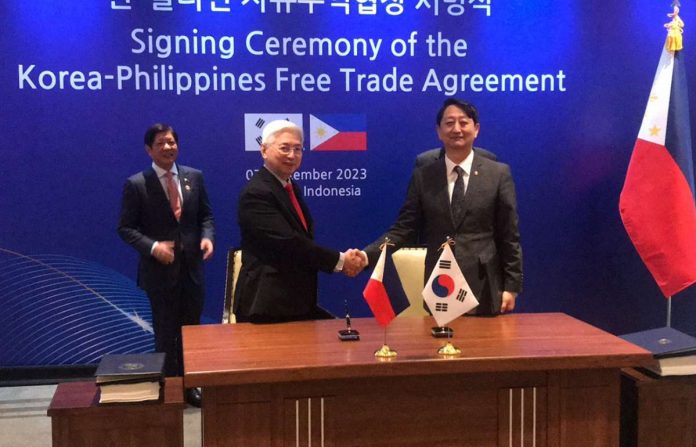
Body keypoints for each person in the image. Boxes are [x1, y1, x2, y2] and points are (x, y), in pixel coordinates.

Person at [364, 99, 522, 315]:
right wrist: (367, 255)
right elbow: (404, 229)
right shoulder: (424, 176)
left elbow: (509, 235)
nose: (456, 129)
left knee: (483, 348)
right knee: (436, 348)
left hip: (483, 287)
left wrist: (511, 287)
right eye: (449, 123)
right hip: (437, 287)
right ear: (439, 131)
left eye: (463, 123)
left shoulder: (498, 174)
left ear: (476, 129)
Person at [118, 123, 214, 407]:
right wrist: (153, 247)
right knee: (165, 332)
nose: (168, 147)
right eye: (161, 143)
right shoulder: (137, 184)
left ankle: (191, 385)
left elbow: (206, 216)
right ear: (149, 149)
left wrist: (207, 238)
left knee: (191, 332)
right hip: (159, 274)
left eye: (171, 142)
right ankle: (170, 388)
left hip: (191, 270)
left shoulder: (194, 177)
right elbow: (125, 228)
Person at [234, 120, 364, 324]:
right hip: (268, 307)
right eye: (284, 148)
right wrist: (341, 261)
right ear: (264, 150)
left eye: (297, 149)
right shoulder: (256, 193)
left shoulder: (290, 187)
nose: (292, 155)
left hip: (295, 302)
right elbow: (288, 243)